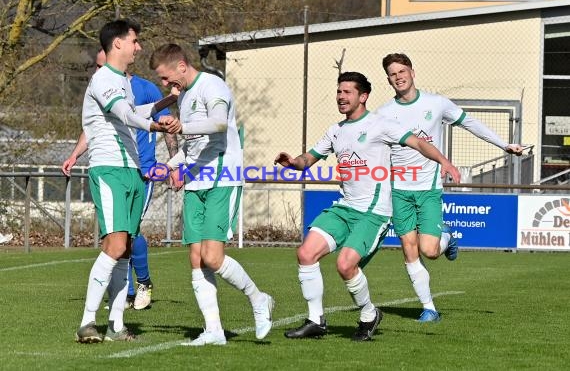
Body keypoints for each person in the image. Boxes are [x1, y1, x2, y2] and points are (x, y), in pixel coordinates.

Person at [274, 72, 460, 341]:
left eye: (347, 92)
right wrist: (292, 162)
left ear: (363, 96)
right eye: (339, 91)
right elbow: (308, 159)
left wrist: (445, 161)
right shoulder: (335, 130)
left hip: (374, 212)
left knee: (345, 264)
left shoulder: (380, 125)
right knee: (305, 253)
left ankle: (368, 314)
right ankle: (315, 320)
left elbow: (419, 142)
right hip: (345, 207)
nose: (341, 96)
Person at [375, 53, 523, 322]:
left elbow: (471, 123)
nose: (398, 77)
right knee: (409, 250)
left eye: (402, 71)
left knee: (429, 251)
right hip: (398, 189)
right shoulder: (383, 113)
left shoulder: (436, 103)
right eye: (393, 74)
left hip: (429, 187)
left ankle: (447, 237)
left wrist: (504, 145)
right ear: (388, 80)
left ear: (412, 72)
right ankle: (429, 308)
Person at [149, 43, 274, 346]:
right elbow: (192, 147)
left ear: (181, 65)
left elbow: (218, 124)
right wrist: (168, 166)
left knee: (213, 257)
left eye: (167, 78)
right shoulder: (187, 95)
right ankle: (214, 331)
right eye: (162, 81)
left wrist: (182, 126)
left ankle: (259, 299)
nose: (165, 86)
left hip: (221, 176)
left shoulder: (212, 85)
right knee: (196, 258)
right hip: (195, 181)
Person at [74, 20, 180, 343]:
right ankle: (87, 322)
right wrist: (157, 127)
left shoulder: (124, 82)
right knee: (115, 245)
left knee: (125, 250)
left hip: (131, 172)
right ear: (117, 44)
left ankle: (117, 325)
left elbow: (137, 108)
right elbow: (124, 114)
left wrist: (164, 105)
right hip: (109, 171)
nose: (139, 47)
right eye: (135, 40)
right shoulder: (103, 79)